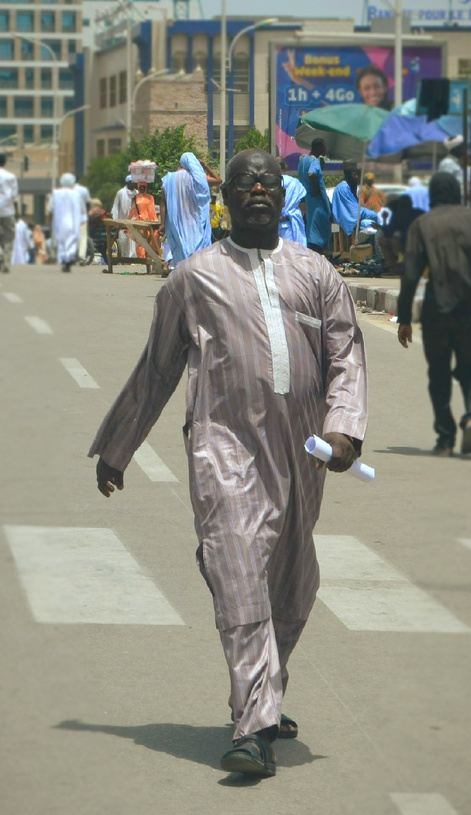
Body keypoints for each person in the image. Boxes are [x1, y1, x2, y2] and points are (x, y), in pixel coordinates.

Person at [90, 148, 368, 778]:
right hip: (223, 444)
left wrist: (345, 429)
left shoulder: (318, 274)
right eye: (245, 183)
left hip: (302, 453)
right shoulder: (193, 277)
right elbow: (157, 369)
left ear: (283, 193)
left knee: (293, 585)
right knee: (238, 566)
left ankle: (265, 692)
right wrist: (118, 446)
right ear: (228, 198)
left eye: (269, 182)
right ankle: (252, 727)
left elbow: (346, 356)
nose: (258, 191)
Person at [398, 172, 471, 456]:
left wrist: (405, 318)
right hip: (469, 309)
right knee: (468, 367)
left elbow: (409, 275)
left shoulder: (422, 225)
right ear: (458, 192)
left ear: (432, 194)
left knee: (438, 373)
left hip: (436, 310)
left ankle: (445, 439)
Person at [162, 152, 220, 269]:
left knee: (181, 251)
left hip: (177, 224)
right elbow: (218, 180)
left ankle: (183, 274)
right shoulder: (199, 178)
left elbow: (163, 201)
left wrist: (162, 223)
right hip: (195, 224)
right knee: (197, 253)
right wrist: (205, 166)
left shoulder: (169, 179)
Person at [298, 138, 332, 254]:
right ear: (319, 148)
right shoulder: (314, 161)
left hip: (309, 203)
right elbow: (312, 173)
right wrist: (316, 187)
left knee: (311, 228)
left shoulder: (303, 161)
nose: (326, 150)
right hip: (318, 203)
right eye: (324, 147)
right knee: (319, 232)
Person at [49, 173, 88, 273]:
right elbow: (83, 209)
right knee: (71, 241)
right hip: (73, 222)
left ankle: (64, 259)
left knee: (61, 241)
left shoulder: (56, 193)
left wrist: (51, 222)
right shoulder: (76, 194)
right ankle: (68, 259)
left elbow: (50, 210)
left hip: (60, 222)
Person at [331, 162, 378, 238]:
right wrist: (372, 213)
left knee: (368, 222)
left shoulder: (349, 186)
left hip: (350, 215)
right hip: (345, 218)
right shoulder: (343, 188)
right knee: (374, 217)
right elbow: (354, 212)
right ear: (354, 175)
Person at [129, 181, 161, 260]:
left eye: (144, 186)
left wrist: (155, 221)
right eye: (141, 186)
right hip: (139, 222)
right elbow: (132, 211)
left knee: (151, 239)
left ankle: (150, 257)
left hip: (149, 221)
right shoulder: (135, 198)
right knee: (140, 241)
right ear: (138, 187)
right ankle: (141, 258)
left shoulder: (150, 197)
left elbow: (152, 210)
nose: (142, 188)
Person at [279, 158, 308, 246]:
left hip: (272, 228)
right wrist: (293, 216)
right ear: (286, 167)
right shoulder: (295, 183)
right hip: (291, 226)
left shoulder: (267, 183)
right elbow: (303, 206)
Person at [111, 175, 138, 257]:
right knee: (123, 240)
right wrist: (115, 220)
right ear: (129, 182)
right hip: (123, 221)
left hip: (134, 222)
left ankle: (132, 257)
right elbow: (116, 206)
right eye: (133, 182)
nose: (135, 183)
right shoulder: (121, 193)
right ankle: (123, 257)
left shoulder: (137, 193)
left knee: (133, 241)